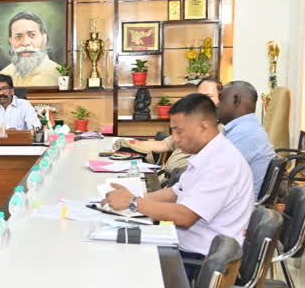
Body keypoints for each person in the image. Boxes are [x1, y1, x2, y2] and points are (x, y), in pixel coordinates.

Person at [102, 93, 254, 278]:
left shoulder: (222, 163)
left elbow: (185, 216)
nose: (174, 138)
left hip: (201, 261)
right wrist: (133, 197)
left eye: (178, 131)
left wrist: (133, 203)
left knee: (118, 265)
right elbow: (175, 192)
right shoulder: (207, 154)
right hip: (186, 246)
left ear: (203, 127)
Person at [114, 78, 223, 176]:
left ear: (221, 99)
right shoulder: (191, 123)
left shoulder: (222, 132)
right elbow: (163, 144)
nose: (203, 102)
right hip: (167, 179)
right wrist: (129, 144)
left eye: (208, 97)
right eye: (199, 97)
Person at [216, 81, 275, 199]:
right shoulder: (247, 128)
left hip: (236, 208)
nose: (217, 104)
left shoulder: (244, 133)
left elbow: (213, 175)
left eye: (221, 99)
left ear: (236, 100)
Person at [0, 11, 61, 87]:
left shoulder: (59, 76)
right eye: (18, 36)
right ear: (10, 41)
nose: (25, 43)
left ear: (44, 38)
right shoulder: (1, 79)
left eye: (32, 35)